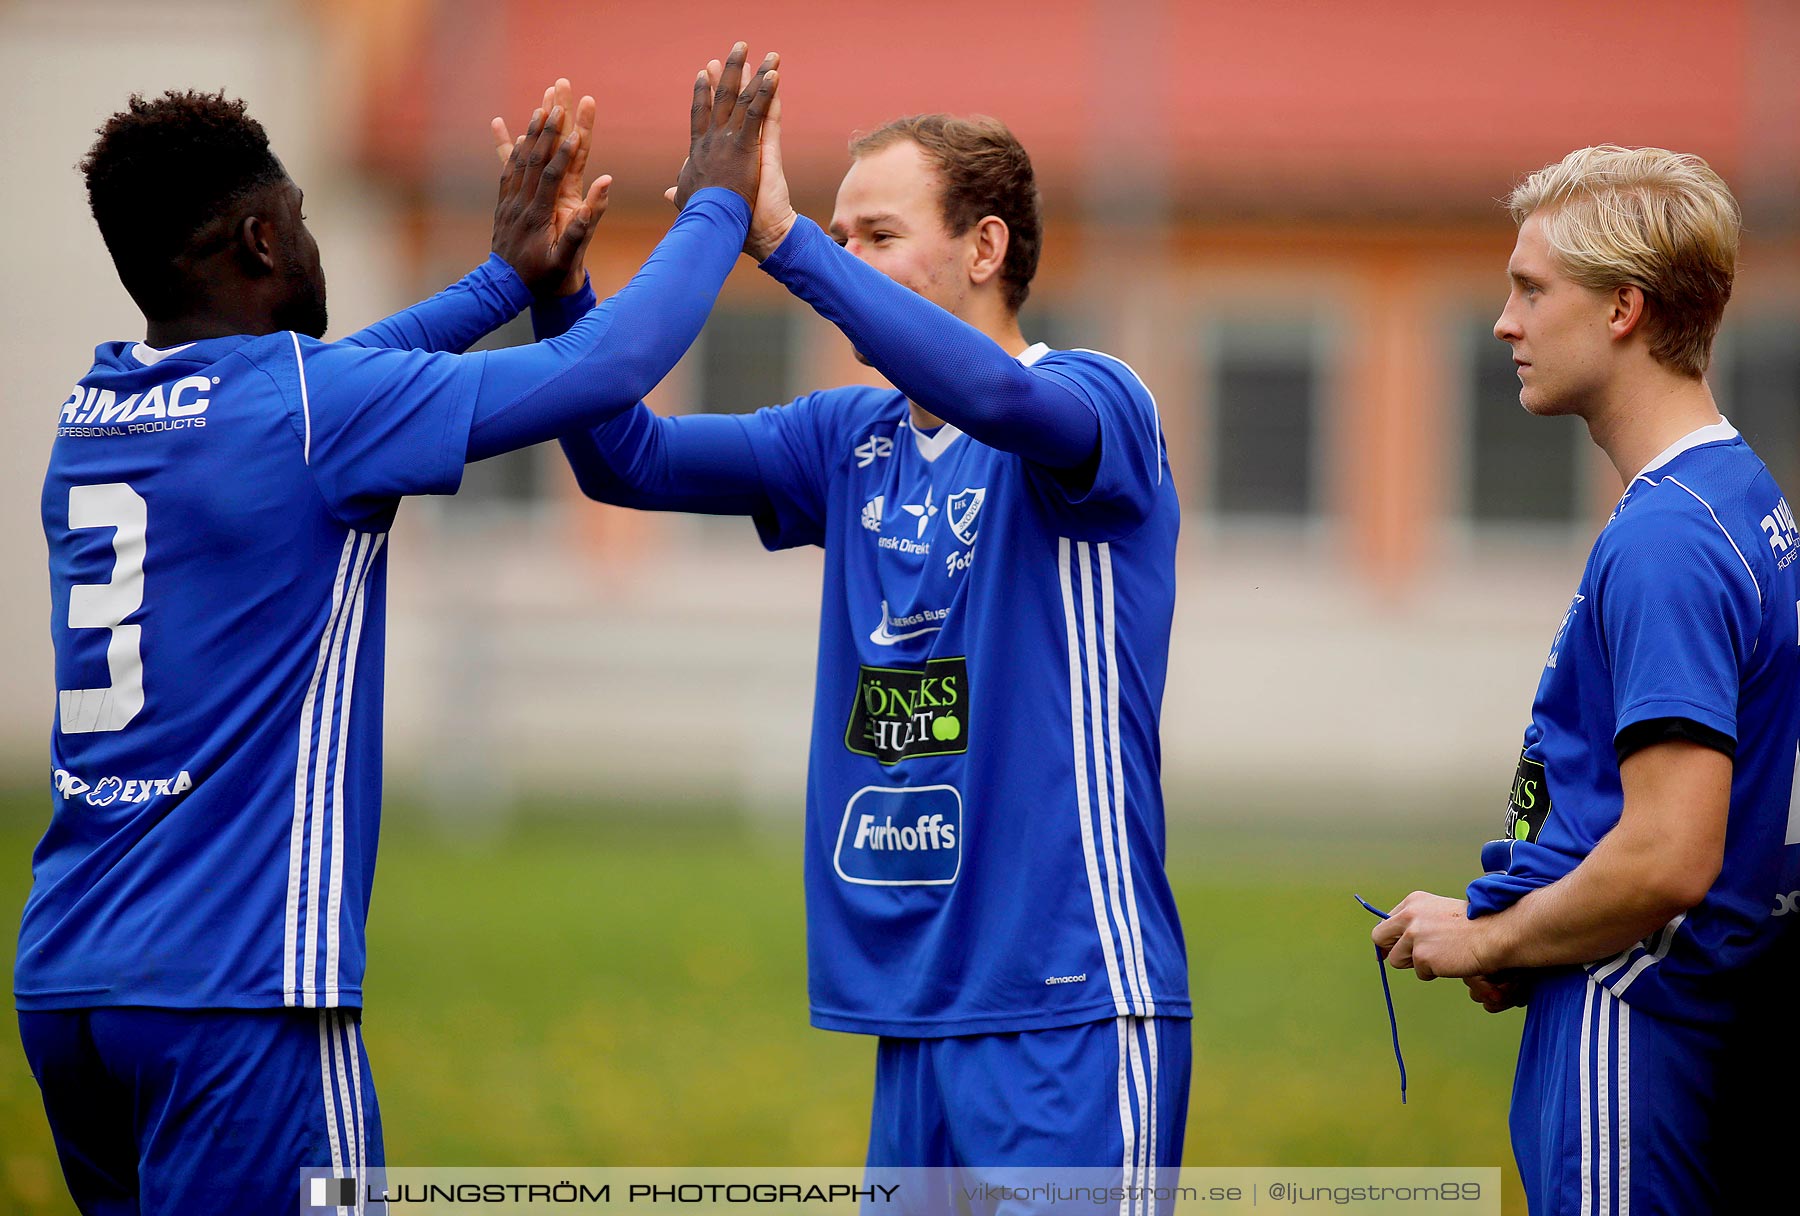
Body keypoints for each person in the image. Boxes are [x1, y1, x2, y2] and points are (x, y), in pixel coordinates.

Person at [18, 52, 775, 1214]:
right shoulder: (309, 413)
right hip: (236, 988)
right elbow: (612, 364)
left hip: (70, 983)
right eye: (303, 221)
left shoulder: (96, 412)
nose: (315, 246)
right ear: (264, 244)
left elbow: (333, 385)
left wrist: (496, 280)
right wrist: (720, 194)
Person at [528, 75, 1191, 1181]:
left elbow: (1006, 406)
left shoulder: (1094, 398)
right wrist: (559, 296)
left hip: (1069, 1000)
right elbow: (624, 461)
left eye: (878, 234)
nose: (843, 262)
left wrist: (783, 240)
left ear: (986, 249)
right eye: (839, 235)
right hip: (916, 1011)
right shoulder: (850, 436)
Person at [1372, 146, 1800, 1213]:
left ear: (1623, 309)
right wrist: (1512, 914)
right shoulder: (1737, 493)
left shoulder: (1668, 539)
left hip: (1632, 1028)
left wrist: (1492, 933)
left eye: (1531, 289)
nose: (1506, 321)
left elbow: (1666, 855)